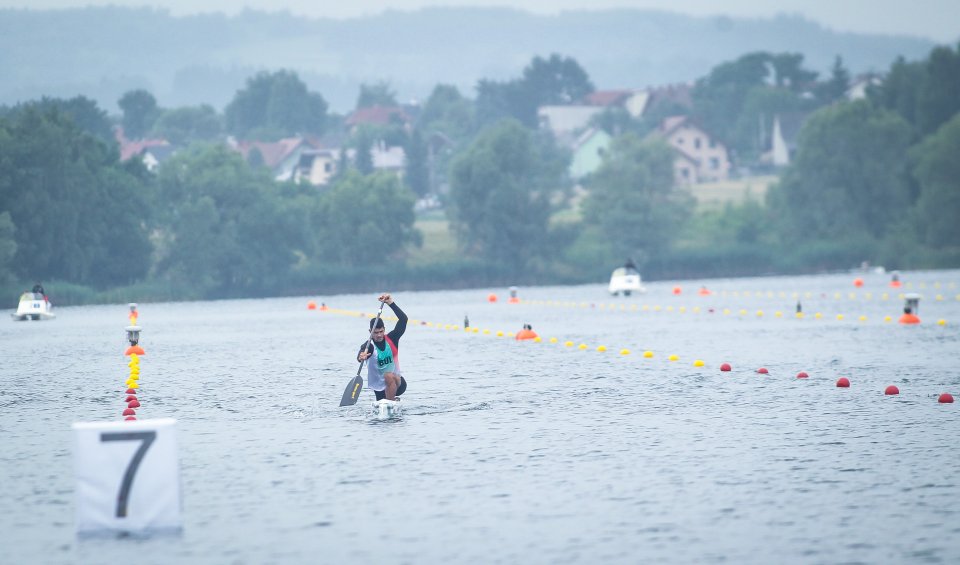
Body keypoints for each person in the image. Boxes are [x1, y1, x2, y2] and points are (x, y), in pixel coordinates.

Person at [357, 293, 408, 401]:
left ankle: (391, 400)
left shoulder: (392, 338)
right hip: (379, 389)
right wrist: (361, 356)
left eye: (381, 331)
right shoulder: (369, 346)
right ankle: (389, 401)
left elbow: (403, 319)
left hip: (398, 383)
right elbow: (362, 352)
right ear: (370, 332)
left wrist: (390, 303)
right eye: (375, 332)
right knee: (385, 383)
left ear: (384, 329)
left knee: (389, 376)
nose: (379, 335)